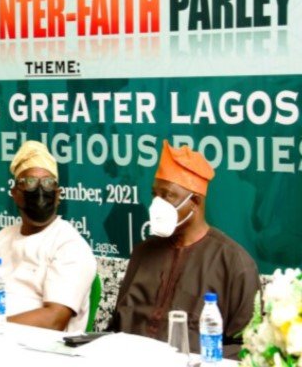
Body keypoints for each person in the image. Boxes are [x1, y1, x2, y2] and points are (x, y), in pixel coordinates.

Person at [108, 140, 260, 359]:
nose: (157, 204)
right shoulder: (143, 253)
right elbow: (115, 327)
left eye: (168, 195)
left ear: (195, 202)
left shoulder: (234, 263)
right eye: (154, 195)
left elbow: (248, 348)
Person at [0, 140, 96, 332]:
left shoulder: (70, 244)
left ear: (58, 195)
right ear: (15, 193)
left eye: (48, 183)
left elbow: (54, 320)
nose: (40, 189)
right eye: (30, 182)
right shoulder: (1, 238)